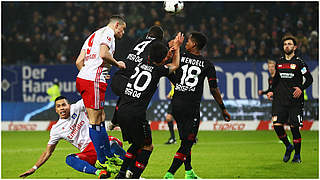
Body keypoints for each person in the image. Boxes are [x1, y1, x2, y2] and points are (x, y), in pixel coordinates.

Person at [112, 32, 184, 179]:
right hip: (136, 115)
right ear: (162, 60)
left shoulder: (141, 63)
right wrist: (177, 48)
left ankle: (121, 175)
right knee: (147, 147)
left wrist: (168, 51)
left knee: (136, 144)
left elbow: (159, 58)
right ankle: (134, 176)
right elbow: (175, 65)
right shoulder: (159, 71)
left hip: (122, 111)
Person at [164, 32, 231, 179]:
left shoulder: (180, 58)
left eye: (188, 41)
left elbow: (169, 72)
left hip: (176, 104)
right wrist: (223, 108)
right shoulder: (207, 64)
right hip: (191, 106)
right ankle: (169, 174)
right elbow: (214, 89)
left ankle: (189, 172)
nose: (186, 43)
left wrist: (174, 47)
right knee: (188, 143)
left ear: (194, 44)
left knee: (185, 140)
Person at [19, 96, 127, 179]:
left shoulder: (77, 107)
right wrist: (34, 168)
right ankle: (99, 172)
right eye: (59, 106)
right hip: (88, 152)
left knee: (112, 143)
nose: (62, 108)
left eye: (64, 105)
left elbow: (91, 97)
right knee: (69, 159)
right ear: (56, 110)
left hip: (100, 142)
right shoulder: (56, 129)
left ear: (69, 105)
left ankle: (128, 166)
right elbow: (48, 152)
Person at [75, 15, 126, 169]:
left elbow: (79, 61)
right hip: (92, 81)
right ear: (116, 25)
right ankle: (102, 160)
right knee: (95, 121)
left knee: (100, 117)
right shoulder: (109, 34)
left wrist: (91, 73)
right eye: (123, 29)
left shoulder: (93, 35)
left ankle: (109, 155)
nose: (122, 33)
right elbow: (103, 54)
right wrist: (118, 64)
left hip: (84, 78)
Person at [267, 35, 313, 163]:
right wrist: (271, 90)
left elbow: (309, 79)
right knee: (277, 126)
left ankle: (297, 155)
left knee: (294, 128)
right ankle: (288, 146)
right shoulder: (279, 62)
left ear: (295, 47)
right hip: (280, 100)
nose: (287, 46)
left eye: (289, 44)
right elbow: (275, 80)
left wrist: (301, 88)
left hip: (295, 101)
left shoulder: (299, 63)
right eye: (285, 44)